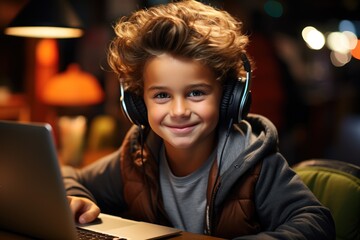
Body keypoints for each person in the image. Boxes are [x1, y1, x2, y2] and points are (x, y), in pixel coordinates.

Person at [62, 0, 335, 239]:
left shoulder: (255, 163)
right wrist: (79, 199)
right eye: (161, 96)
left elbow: (315, 222)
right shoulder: (137, 155)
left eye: (196, 92)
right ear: (138, 103)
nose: (179, 110)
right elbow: (70, 176)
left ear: (228, 96)